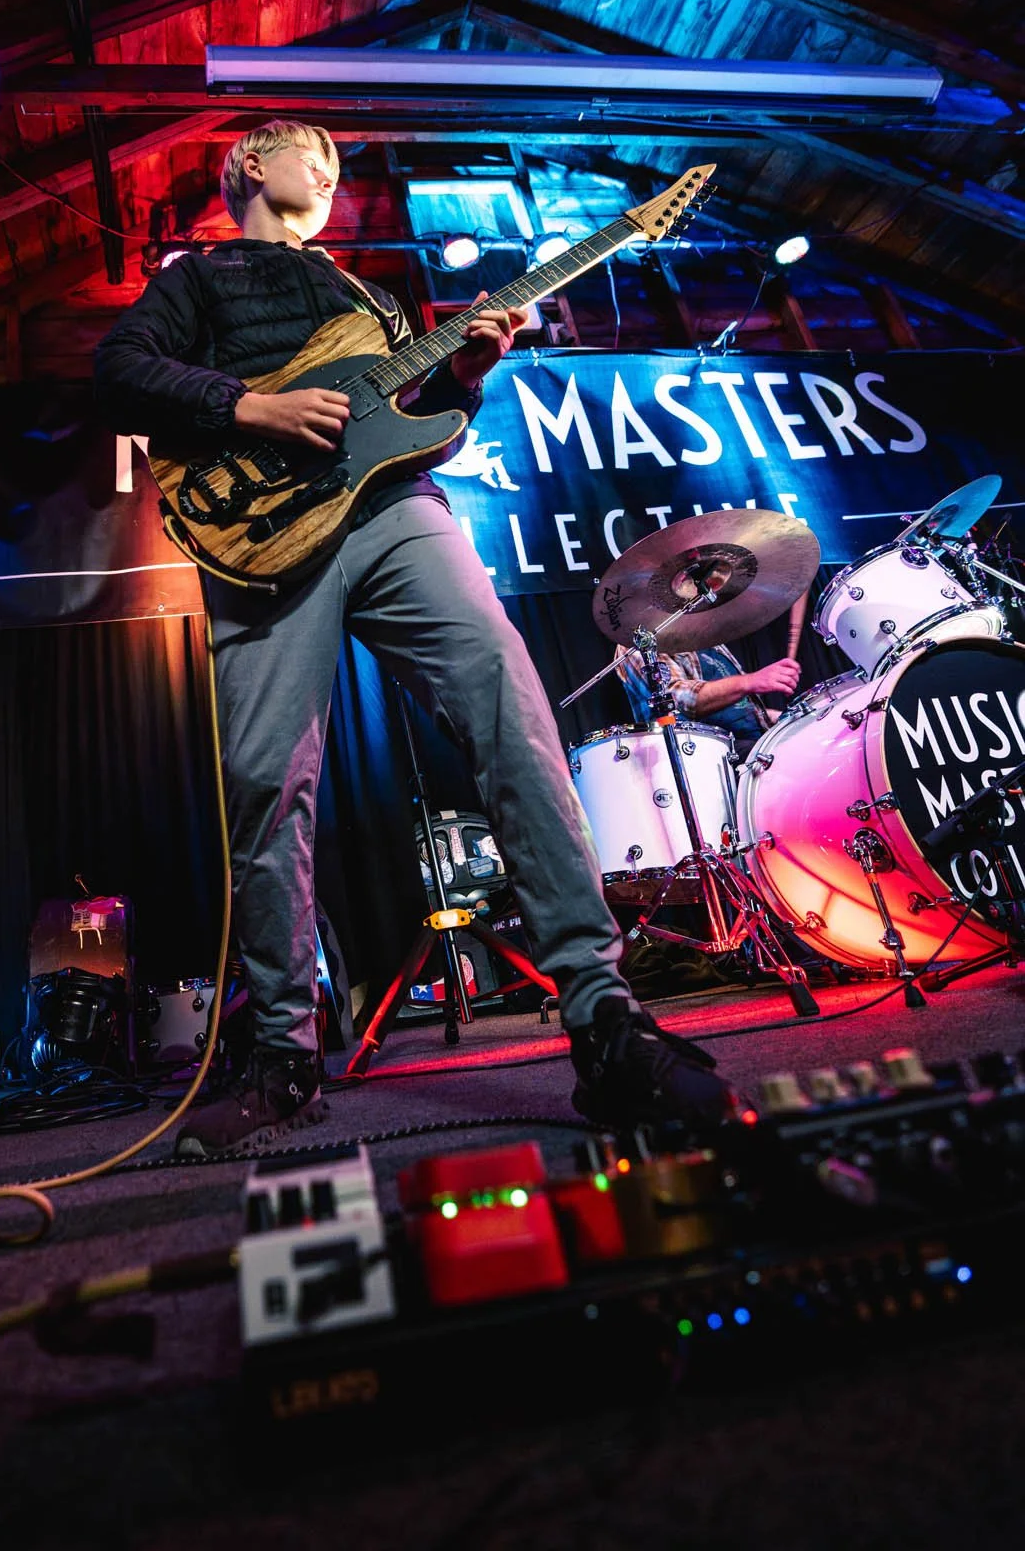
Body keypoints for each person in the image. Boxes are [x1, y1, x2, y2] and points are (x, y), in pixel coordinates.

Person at [93, 120, 735, 1154]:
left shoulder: (374, 300)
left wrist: (470, 373)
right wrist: (249, 403)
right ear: (254, 163)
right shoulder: (200, 276)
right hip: (259, 532)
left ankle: (601, 1015)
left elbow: (421, 417)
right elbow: (117, 367)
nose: (334, 170)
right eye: (314, 151)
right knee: (267, 781)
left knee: (505, 700)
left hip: (396, 512)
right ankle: (285, 1055)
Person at [613, 641, 802, 757]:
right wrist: (750, 681)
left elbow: (741, 711)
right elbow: (679, 699)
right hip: (709, 756)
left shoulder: (708, 641)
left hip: (756, 743)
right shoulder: (636, 643)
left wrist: (791, 717)